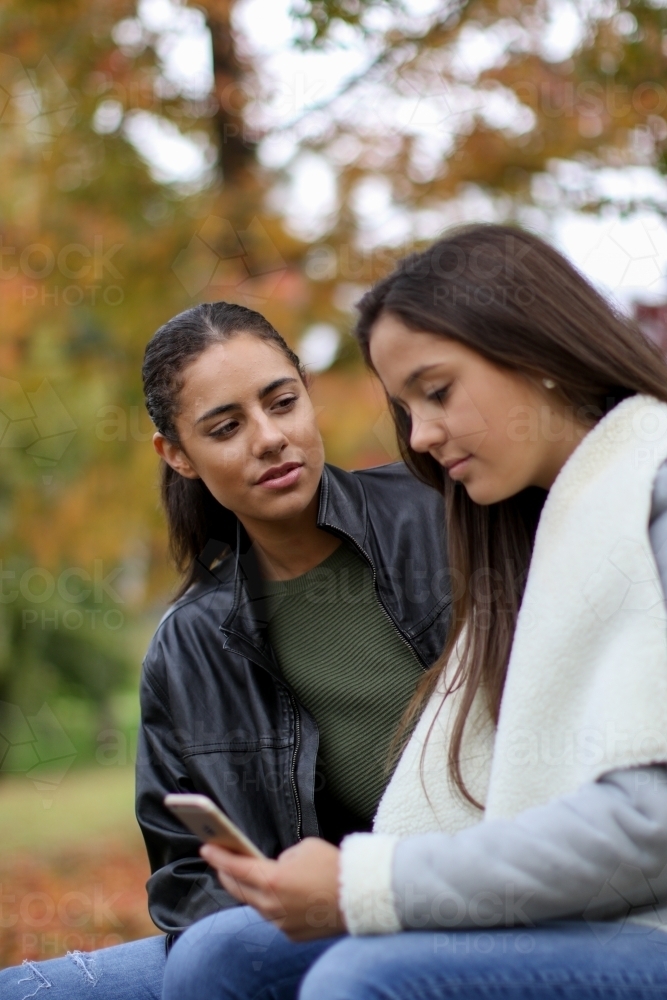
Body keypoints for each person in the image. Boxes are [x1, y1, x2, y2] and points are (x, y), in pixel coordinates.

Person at [162, 224, 667, 1000]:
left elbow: (645, 825)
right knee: (215, 956)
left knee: (357, 979)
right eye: (405, 408)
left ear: (533, 347)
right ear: (177, 455)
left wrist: (368, 883)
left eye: (436, 393)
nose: (422, 440)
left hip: (635, 921)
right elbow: (183, 878)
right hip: (516, 894)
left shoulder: (633, 494)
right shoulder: (513, 518)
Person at [0, 302, 450, 997]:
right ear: (175, 454)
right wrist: (279, 908)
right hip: (293, 935)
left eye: (282, 402)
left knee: (216, 960)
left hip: (459, 900)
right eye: (226, 427)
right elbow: (184, 881)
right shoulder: (189, 646)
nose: (270, 439)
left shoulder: (443, 514)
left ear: (307, 394)